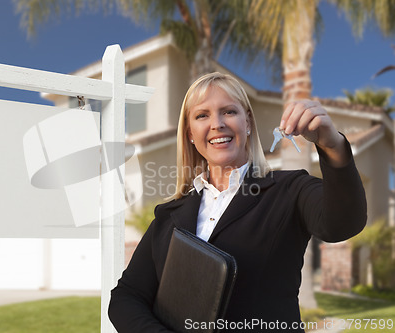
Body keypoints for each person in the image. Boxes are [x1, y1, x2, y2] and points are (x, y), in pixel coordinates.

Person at [108, 72, 367, 332]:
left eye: (229, 111)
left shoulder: (289, 190)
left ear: (248, 122)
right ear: (189, 133)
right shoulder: (168, 215)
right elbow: (126, 297)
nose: (217, 123)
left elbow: (342, 224)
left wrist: (332, 145)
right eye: (202, 115)